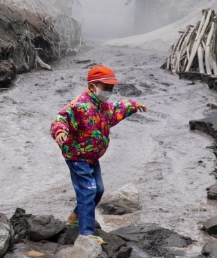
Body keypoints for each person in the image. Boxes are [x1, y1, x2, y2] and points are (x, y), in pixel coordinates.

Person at [50, 65, 147, 244]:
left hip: (92, 157)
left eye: (111, 88)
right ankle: (86, 233)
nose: (109, 92)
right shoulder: (79, 105)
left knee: (99, 190)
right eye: (106, 88)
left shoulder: (102, 107)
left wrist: (133, 105)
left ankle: (74, 216)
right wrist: (60, 132)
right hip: (77, 156)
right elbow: (61, 118)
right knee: (88, 190)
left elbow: (117, 108)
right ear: (93, 86)